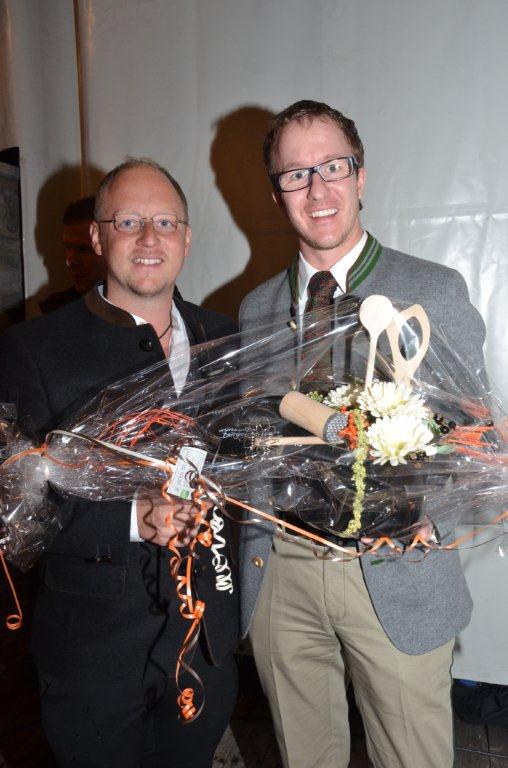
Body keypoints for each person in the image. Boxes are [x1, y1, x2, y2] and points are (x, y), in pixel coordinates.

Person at [238, 100, 487, 768]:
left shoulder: (432, 291)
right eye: (296, 174)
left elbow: (476, 430)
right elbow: (256, 431)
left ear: (361, 175)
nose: (317, 189)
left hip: (395, 564)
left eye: (333, 167)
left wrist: (429, 515)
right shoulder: (257, 307)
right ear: (277, 192)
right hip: (283, 570)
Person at [0, 159, 239, 767]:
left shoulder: (230, 341)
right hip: (92, 655)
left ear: (187, 237)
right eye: (128, 222)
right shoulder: (33, 348)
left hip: (206, 644)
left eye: (166, 222)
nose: (150, 238)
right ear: (98, 237)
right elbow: (14, 504)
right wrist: (131, 518)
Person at [39, 195, 105, 313]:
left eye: (84, 249)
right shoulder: (56, 311)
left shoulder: (136, 309)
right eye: (68, 248)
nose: (70, 261)